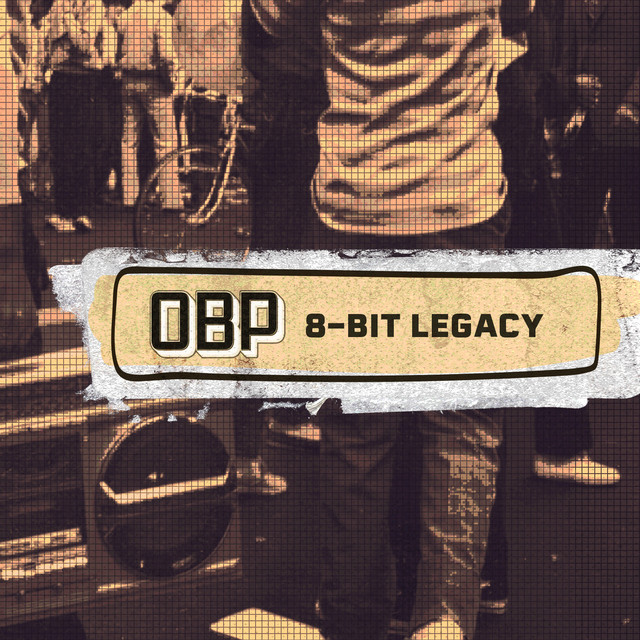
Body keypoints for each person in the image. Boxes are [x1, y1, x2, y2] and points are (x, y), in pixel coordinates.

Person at [247, 2, 510, 639]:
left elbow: (281, 30)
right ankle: (445, 621)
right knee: (459, 424)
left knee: (357, 429)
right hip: (461, 192)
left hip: (355, 199)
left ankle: (351, 616)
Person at [45, 0, 118, 232]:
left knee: (81, 147)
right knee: (61, 147)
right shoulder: (59, 4)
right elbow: (48, 42)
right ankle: (66, 210)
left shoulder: (93, 5)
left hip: (83, 80)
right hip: (61, 78)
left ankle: (77, 210)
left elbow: (85, 45)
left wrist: (68, 19)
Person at [113, 0, 183, 210]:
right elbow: (166, 55)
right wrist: (171, 81)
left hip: (128, 81)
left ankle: (130, 196)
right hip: (154, 83)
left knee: (128, 141)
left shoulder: (125, 16)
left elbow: (117, 51)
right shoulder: (162, 17)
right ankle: (170, 198)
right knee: (165, 141)